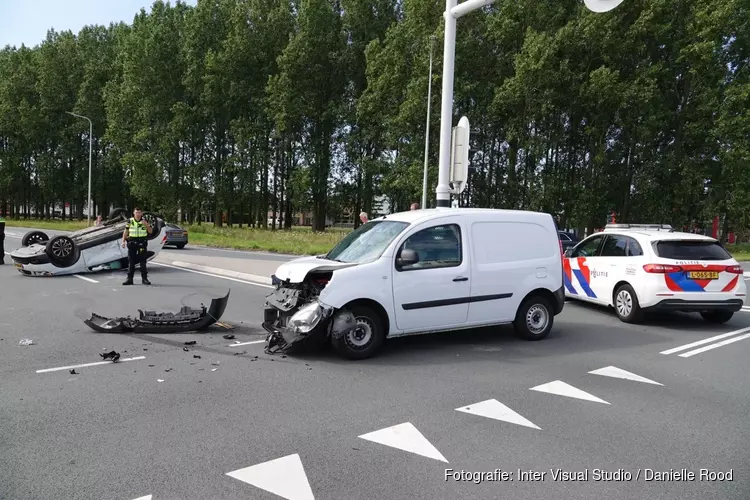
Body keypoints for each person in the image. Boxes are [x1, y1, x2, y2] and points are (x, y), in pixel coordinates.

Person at [121, 207, 153, 285]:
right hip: (132, 242)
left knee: (142, 262)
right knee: (131, 262)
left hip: (142, 242)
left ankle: (144, 279)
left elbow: (150, 231)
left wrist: (146, 225)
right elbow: (126, 231)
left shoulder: (145, 221)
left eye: (139, 212)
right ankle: (129, 279)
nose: (138, 214)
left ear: (141, 213)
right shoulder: (130, 221)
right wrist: (123, 241)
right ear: (133, 213)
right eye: (136, 212)